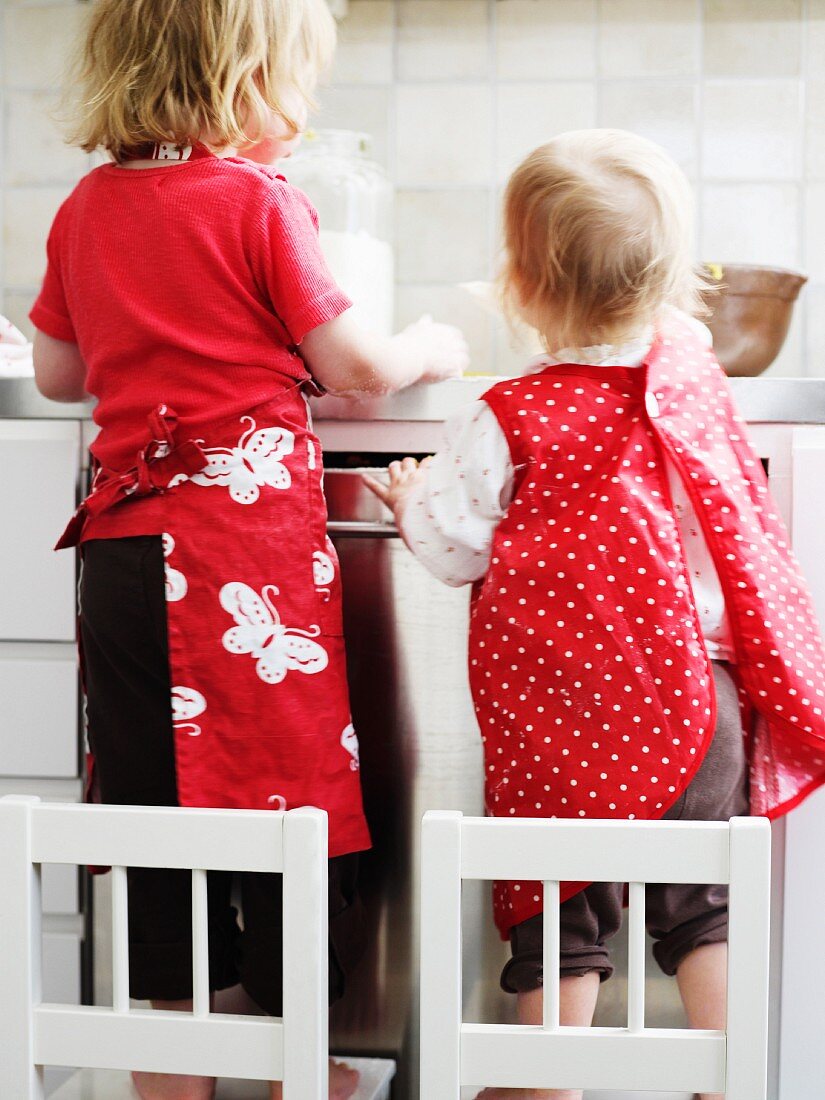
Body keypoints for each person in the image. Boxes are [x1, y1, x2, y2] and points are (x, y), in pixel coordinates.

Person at [30, 3, 467, 1099]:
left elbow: (55, 375)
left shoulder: (84, 209)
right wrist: (431, 343)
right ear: (235, 83)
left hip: (126, 557)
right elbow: (360, 366)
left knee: (150, 806)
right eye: (294, 84)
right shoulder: (259, 200)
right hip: (240, 559)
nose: (305, 110)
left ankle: (169, 1074)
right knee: (284, 795)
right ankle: (296, 1069)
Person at [366, 129, 825, 1100]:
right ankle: (725, 1073)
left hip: (563, 724)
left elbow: (454, 547)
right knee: (704, 907)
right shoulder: (690, 378)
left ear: (523, 285)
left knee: (560, 898)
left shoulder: (511, 414)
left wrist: (409, 499)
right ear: (669, 286)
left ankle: (545, 1076)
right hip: (702, 709)